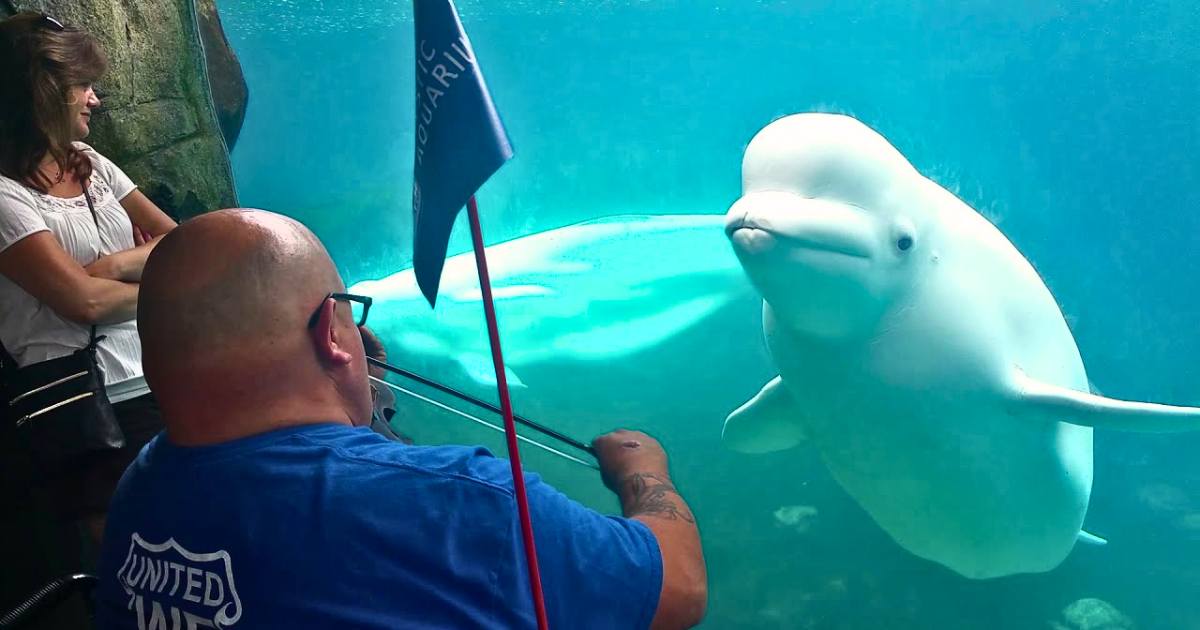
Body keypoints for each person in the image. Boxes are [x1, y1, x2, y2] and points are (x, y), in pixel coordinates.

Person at [93, 209, 707, 629]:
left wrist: (362, 413)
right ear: (333, 335)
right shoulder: (459, 500)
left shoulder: (138, 490)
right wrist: (643, 472)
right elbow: (674, 590)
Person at [0, 12, 178, 547]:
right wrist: (161, 284)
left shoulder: (90, 163)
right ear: (43, 93)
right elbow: (84, 304)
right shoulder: (5, 195)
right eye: (83, 86)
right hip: (85, 401)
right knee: (132, 544)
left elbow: (180, 243)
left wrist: (111, 268)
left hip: (158, 372)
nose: (95, 99)